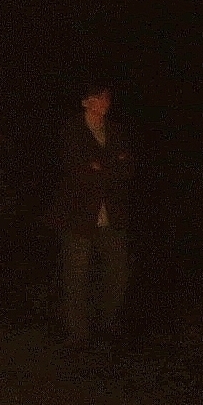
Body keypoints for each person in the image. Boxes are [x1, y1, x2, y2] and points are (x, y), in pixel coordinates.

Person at [54, 84, 135, 347]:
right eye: (99, 97)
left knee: (117, 274)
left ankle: (107, 324)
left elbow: (128, 169)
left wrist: (102, 168)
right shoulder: (72, 131)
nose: (105, 102)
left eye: (107, 97)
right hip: (79, 216)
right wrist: (108, 167)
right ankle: (77, 334)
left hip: (112, 216)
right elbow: (78, 169)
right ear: (86, 102)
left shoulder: (117, 132)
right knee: (76, 277)